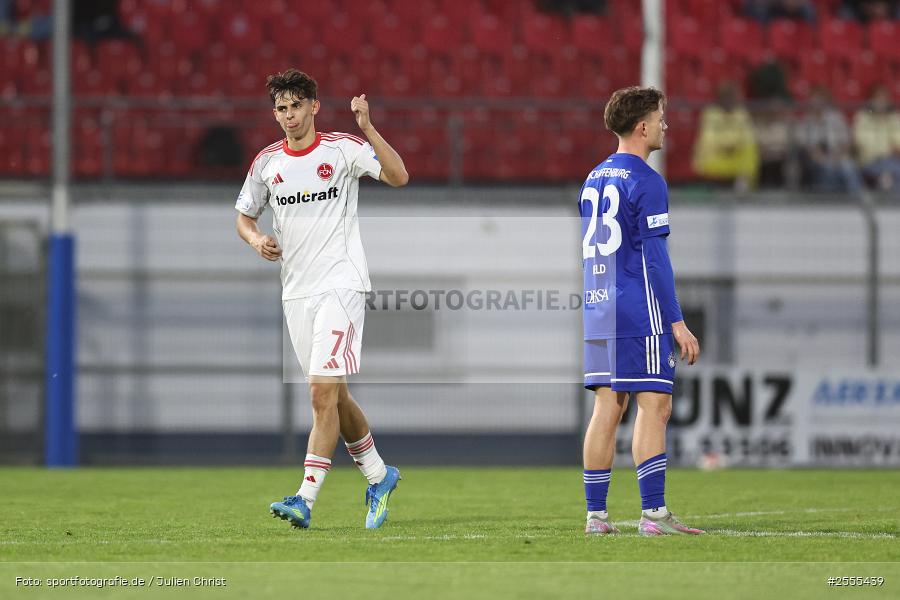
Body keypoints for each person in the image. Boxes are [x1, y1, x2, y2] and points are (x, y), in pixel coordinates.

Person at [235, 69, 409, 530]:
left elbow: (398, 176)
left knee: (319, 393)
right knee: (334, 395)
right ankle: (378, 475)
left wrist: (368, 129)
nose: (288, 116)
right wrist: (256, 241)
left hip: (341, 285)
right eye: (281, 109)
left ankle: (304, 497)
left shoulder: (342, 150)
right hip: (297, 292)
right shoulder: (267, 163)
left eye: (296, 106)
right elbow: (243, 216)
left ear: (314, 106)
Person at [579, 86, 703, 536]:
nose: (665, 125)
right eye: (661, 116)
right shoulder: (647, 181)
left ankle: (596, 517)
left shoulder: (593, 178)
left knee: (606, 408)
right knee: (656, 404)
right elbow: (655, 258)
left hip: (597, 306)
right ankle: (653, 515)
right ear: (642, 125)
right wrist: (676, 321)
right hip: (636, 307)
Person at [692, 81, 759, 191]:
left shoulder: (742, 114)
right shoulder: (711, 114)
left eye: (732, 97)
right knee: (706, 147)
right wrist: (728, 145)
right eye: (726, 97)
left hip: (736, 165)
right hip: (715, 166)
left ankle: (743, 186)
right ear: (719, 98)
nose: (729, 101)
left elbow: (747, 138)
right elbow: (709, 138)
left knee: (750, 147)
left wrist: (733, 146)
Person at [795, 86, 863, 193]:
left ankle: (858, 198)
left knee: (848, 166)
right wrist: (822, 158)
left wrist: (839, 156)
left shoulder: (836, 119)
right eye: (814, 100)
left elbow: (846, 142)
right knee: (828, 168)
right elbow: (806, 148)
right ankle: (829, 202)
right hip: (817, 160)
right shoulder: (805, 123)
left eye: (820, 100)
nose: (817, 104)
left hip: (838, 156)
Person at [852, 84, 900, 194]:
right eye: (877, 98)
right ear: (871, 100)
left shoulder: (893, 117)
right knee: (894, 172)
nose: (881, 102)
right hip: (869, 161)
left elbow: (898, 141)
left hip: (891, 160)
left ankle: (894, 206)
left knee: (894, 172)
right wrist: (887, 148)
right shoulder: (863, 117)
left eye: (884, 99)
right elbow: (862, 142)